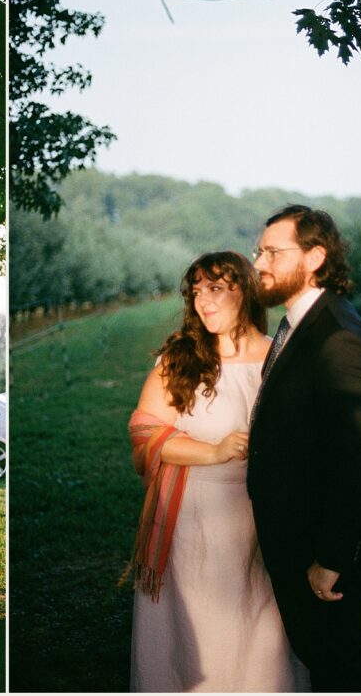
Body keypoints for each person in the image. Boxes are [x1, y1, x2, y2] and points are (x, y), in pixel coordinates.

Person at [128, 252, 309, 692]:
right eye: (196, 292)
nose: (203, 302)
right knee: (201, 630)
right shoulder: (180, 359)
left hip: (264, 516)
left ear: (244, 290)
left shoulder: (280, 357)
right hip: (194, 519)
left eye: (215, 289)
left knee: (263, 621)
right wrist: (213, 451)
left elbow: (317, 431)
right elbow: (144, 430)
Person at [247, 205, 361, 692]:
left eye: (273, 251)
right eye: (259, 251)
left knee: (344, 671)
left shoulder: (338, 338)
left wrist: (333, 558)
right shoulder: (298, 324)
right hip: (300, 534)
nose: (259, 263)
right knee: (325, 663)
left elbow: (355, 456)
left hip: (326, 547)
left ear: (314, 257)